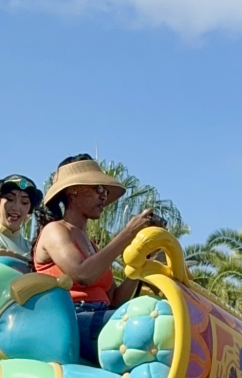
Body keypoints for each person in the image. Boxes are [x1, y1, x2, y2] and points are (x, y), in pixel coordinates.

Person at [32, 155, 156, 362]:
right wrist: (127, 234)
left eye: (105, 191)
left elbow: (115, 299)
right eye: (98, 189)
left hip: (102, 316)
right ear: (73, 191)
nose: (103, 197)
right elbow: (82, 274)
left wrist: (143, 259)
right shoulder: (55, 230)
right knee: (149, 328)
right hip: (71, 319)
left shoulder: (92, 245)